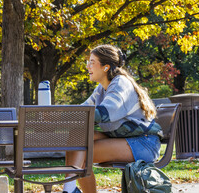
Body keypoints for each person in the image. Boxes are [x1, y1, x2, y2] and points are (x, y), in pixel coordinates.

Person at [63, 45, 162, 193]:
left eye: (92, 62)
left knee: (81, 152)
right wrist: (56, 115)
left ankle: (69, 190)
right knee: (76, 137)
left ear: (105, 67)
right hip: (123, 137)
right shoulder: (101, 88)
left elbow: (105, 113)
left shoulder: (120, 83)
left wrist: (66, 116)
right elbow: (83, 109)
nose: (87, 66)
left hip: (143, 142)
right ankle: (69, 189)